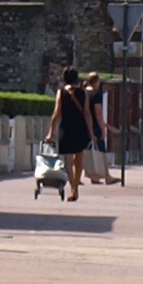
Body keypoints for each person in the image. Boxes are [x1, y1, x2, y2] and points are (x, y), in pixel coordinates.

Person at [48, 68, 93, 201]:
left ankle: (73, 185)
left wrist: (51, 132)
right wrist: (91, 132)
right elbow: (87, 113)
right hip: (80, 127)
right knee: (78, 159)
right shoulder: (83, 93)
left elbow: (56, 113)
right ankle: (75, 188)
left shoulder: (61, 93)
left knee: (67, 159)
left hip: (66, 127)